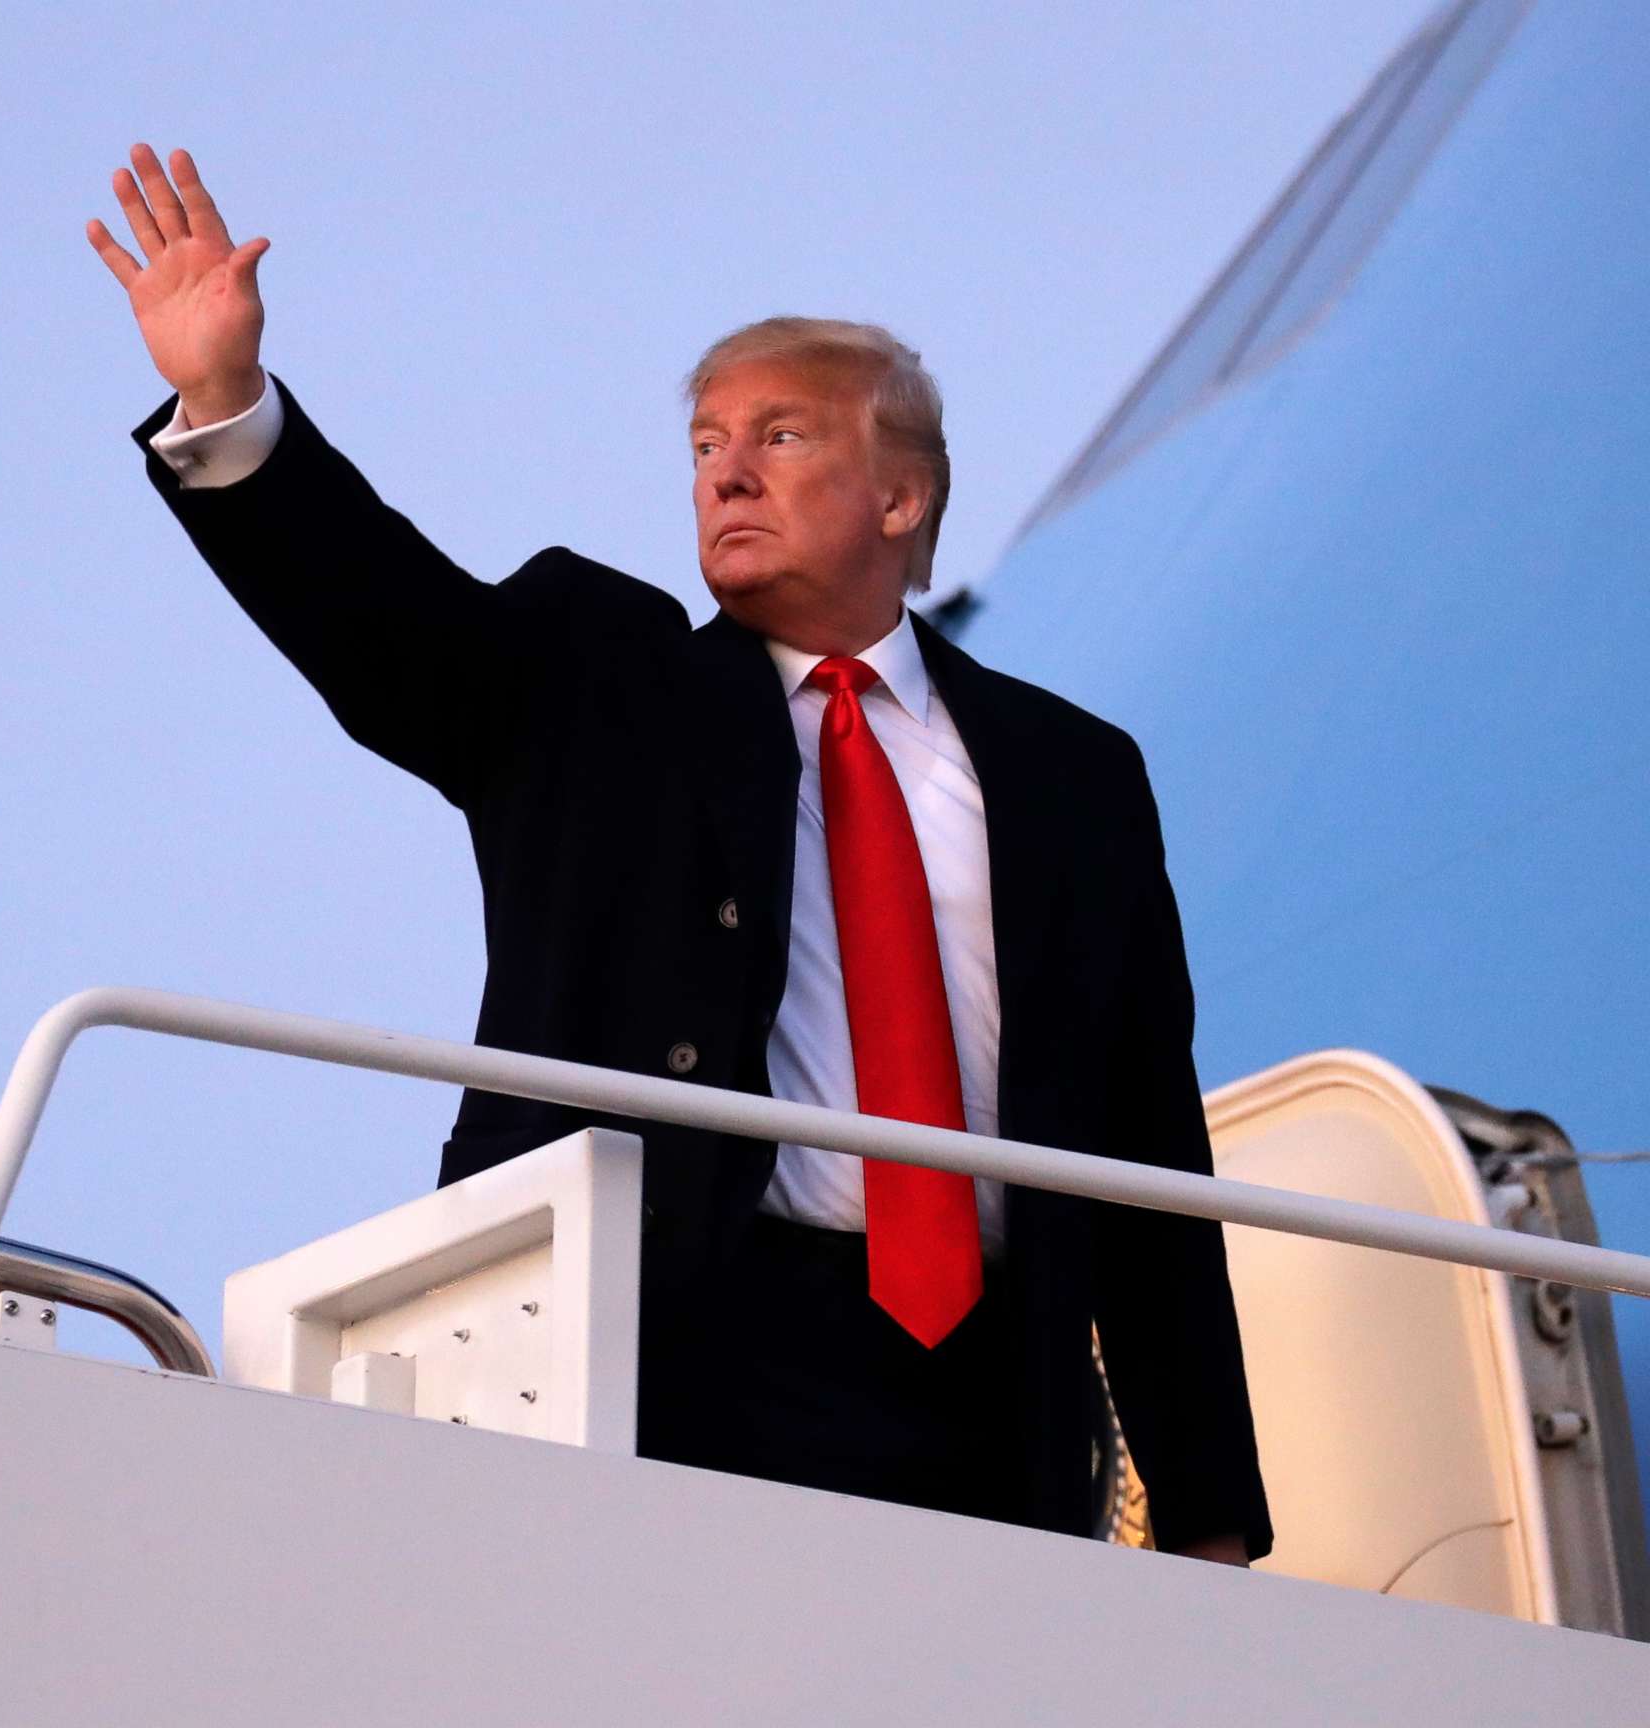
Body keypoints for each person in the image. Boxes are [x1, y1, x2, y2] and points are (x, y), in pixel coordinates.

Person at [85, 142, 1270, 1564]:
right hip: (683, 1344)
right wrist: (225, 399)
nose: (726, 473)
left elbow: (1143, 1140)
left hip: (993, 1398)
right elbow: (383, 623)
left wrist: (1207, 1519)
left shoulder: (1073, 774)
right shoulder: (599, 679)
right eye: (706, 443)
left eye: (781, 436)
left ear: (901, 496)